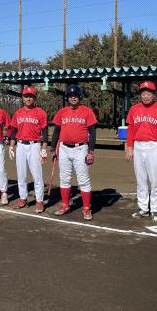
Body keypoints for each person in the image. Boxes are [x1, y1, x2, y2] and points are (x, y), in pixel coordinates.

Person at [125, 81, 157, 222]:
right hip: (138, 146)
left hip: (155, 146)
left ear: (153, 94)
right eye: (143, 93)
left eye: (148, 93)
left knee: (155, 179)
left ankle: (155, 209)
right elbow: (131, 130)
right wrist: (129, 148)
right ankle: (143, 208)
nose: (146, 96)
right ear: (140, 94)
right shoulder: (134, 109)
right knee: (141, 179)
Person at [51, 85, 97, 221]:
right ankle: (65, 205)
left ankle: (86, 208)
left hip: (81, 148)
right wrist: (53, 148)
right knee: (64, 178)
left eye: (75, 95)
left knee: (83, 179)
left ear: (79, 97)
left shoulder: (87, 111)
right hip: (64, 148)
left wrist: (91, 151)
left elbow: (93, 133)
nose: (72, 97)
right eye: (70, 96)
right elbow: (56, 131)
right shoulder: (62, 112)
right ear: (67, 98)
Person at [9, 86, 48, 213]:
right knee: (21, 175)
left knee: (37, 175)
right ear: (22, 98)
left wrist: (44, 148)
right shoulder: (18, 113)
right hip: (20, 145)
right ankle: (23, 199)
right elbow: (14, 131)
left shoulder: (41, 112)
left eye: (31, 96)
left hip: (34, 145)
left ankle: (39, 201)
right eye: (26, 96)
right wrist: (11, 146)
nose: (28, 98)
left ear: (35, 98)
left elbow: (45, 131)